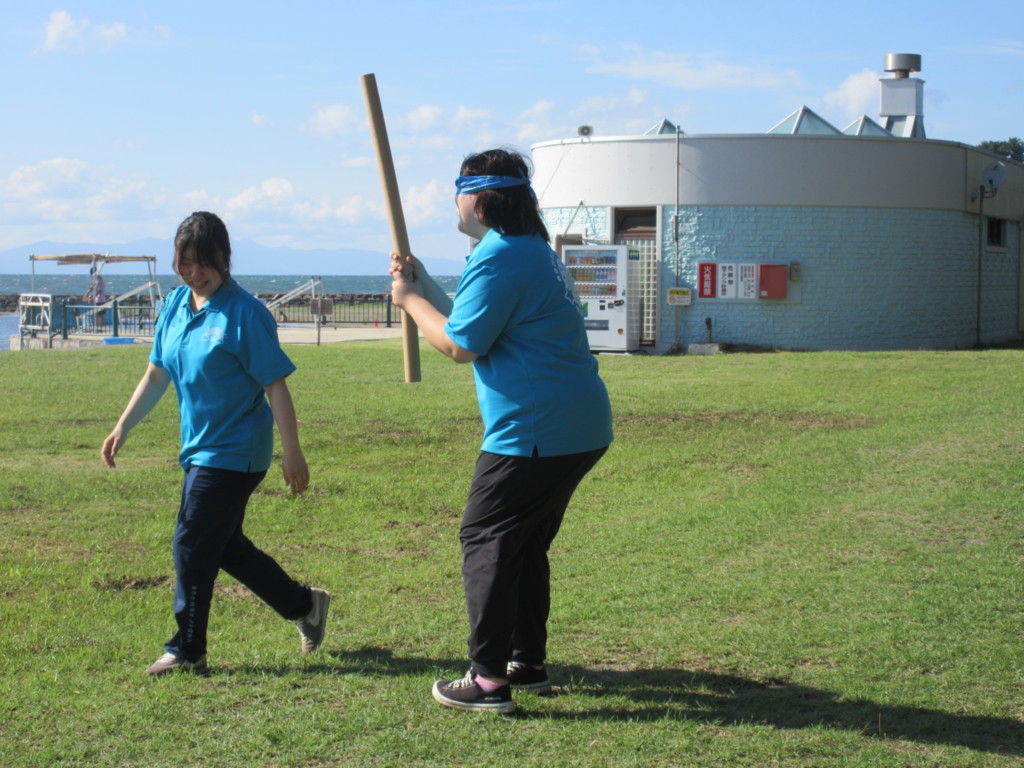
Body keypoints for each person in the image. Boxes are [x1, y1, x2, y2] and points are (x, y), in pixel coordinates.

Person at [389, 148, 613, 713]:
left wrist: (409, 301)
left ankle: (488, 681)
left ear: (482, 200)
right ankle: (525, 661)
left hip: (535, 428)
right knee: (522, 542)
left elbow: (460, 345)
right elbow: (474, 320)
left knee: (486, 537)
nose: (454, 201)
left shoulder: (500, 257)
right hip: (576, 424)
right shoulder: (526, 250)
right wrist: (422, 284)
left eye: (460, 190)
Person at [101, 211, 329, 676]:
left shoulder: (245, 314)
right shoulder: (175, 305)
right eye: (184, 263)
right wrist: (123, 426)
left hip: (237, 450)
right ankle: (304, 605)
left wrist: (292, 450)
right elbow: (156, 373)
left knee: (191, 540)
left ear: (224, 258)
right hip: (198, 448)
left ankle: (188, 649)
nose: (193, 272)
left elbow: (275, 385)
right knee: (222, 545)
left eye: (203, 263)